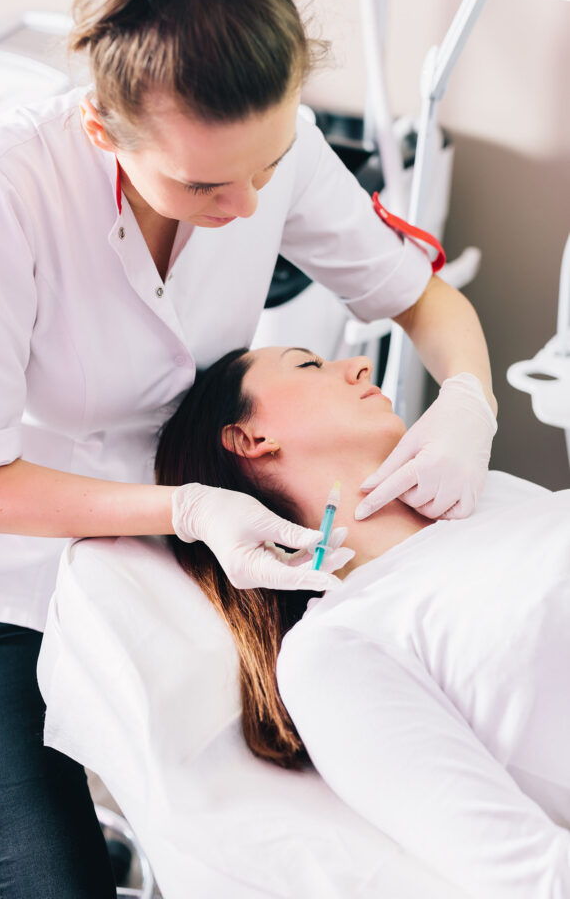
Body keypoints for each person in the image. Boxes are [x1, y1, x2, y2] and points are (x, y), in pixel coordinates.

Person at [0, 0, 497, 899]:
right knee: (56, 877)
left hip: (162, 557)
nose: (247, 209)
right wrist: (189, 507)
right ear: (100, 128)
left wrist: (469, 399)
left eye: (262, 168)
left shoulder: (276, 150)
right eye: (204, 188)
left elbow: (424, 300)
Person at [154, 344, 570, 899]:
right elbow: (532, 877)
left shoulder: (484, 495)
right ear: (252, 439)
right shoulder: (335, 649)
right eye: (309, 364)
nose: (358, 366)